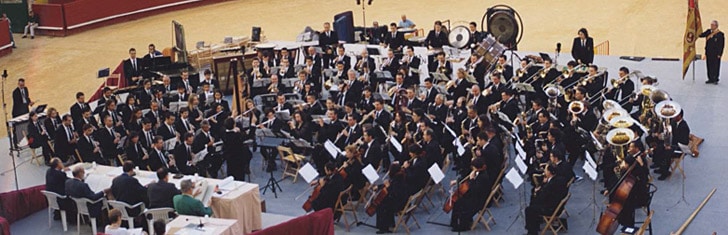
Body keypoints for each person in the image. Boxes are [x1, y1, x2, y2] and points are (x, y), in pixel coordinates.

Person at [450, 157, 492, 232]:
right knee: (458, 200)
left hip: (478, 201)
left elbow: (475, 190)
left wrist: (472, 179)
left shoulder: (483, 177)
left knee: (459, 203)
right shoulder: (480, 173)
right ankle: (455, 222)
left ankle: (463, 225)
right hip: (476, 196)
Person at [524, 164, 568, 235]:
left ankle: (532, 232)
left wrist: (537, 189)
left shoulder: (551, 184)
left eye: (546, 170)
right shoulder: (559, 179)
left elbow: (542, 197)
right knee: (533, 203)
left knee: (529, 209)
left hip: (551, 208)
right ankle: (535, 224)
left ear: (550, 172)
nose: (544, 171)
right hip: (556, 205)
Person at [374, 164, 410, 234]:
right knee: (384, 202)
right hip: (400, 200)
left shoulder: (398, 179)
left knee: (381, 205)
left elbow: (394, 193)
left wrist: (387, 187)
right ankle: (390, 223)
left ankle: (383, 227)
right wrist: (379, 187)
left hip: (399, 203)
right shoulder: (399, 177)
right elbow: (391, 185)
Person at [700, 20, 725, 84]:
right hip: (709, 53)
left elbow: (721, 45)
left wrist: (720, 54)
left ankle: (715, 79)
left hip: (716, 53)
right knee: (709, 65)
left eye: (713, 25)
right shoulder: (708, 32)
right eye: (711, 25)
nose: (711, 26)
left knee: (716, 66)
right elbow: (701, 35)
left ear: (716, 26)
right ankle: (710, 78)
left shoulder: (720, 34)